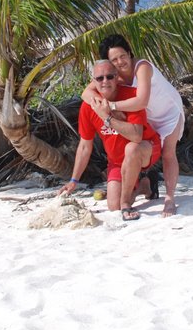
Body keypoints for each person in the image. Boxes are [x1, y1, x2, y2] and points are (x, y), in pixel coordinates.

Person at [81, 34, 184, 217]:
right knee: (135, 150)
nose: (120, 62)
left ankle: (169, 198)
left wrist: (110, 107)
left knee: (168, 153)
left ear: (129, 53)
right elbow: (86, 93)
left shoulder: (141, 67)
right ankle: (143, 185)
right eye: (114, 59)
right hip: (150, 117)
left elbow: (142, 101)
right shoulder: (114, 75)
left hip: (168, 112)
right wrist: (99, 105)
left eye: (123, 56)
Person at [60, 60, 161, 221]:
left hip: (145, 148)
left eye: (109, 76)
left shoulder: (131, 96)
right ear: (93, 82)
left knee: (132, 149)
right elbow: (85, 146)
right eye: (99, 78)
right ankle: (145, 186)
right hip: (117, 161)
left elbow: (136, 136)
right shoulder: (88, 107)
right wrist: (73, 180)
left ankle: (126, 203)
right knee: (113, 205)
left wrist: (107, 117)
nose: (105, 81)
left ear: (117, 78)